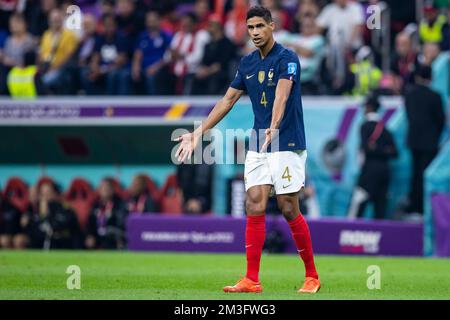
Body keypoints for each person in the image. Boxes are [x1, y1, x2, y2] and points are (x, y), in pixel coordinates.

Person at [175, 6, 320, 294]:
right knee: (254, 203)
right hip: (258, 142)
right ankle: (252, 280)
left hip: (286, 140)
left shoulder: (287, 58)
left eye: (259, 26)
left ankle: (312, 276)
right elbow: (227, 101)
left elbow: (282, 93)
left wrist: (275, 124)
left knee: (289, 206)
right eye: (250, 27)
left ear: (271, 26)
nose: (254, 32)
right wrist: (197, 133)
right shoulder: (247, 64)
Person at [347, 95, 398, 220]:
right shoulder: (385, 129)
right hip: (385, 171)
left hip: (369, 171)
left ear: (369, 108)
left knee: (358, 204)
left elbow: (366, 149)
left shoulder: (365, 126)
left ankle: (351, 233)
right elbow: (394, 153)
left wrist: (374, 148)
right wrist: (383, 150)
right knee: (380, 207)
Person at [404, 65, 445, 215]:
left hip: (414, 140)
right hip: (430, 141)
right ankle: (423, 207)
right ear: (431, 78)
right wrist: (435, 136)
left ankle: (413, 204)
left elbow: (409, 116)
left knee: (415, 173)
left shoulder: (409, 95)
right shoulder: (435, 96)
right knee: (425, 174)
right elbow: (440, 120)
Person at [22, 181, 81, 249]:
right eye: (43, 194)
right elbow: (33, 231)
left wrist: (45, 215)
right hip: (39, 245)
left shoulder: (64, 209)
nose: (45, 198)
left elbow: (56, 228)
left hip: (62, 245)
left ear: (55, 194)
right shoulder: (33, 210)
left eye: (48, 193)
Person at [190, 14, 237, 95]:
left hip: (222, 73)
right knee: (193, 77)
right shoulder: (208, 45)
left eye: (211, 25)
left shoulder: (227, 44)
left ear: (218, 27)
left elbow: (222, 64)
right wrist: (202, 70)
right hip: (208, 71)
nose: (208, 28)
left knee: (214, 79)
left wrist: (207, 72)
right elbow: (204, 62)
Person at [131, 10, 172, 95]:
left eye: (153, 21)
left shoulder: (166, 36)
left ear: (159, 21)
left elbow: (169, 56)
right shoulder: (142, 36)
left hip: (160, 68)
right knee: (126, 75)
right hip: (143, 67)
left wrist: (156, 67)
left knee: (151, 77)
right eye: (148, 21)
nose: (150, 24)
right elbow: (138, 53)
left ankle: (153, 104)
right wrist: (135, 66)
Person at [38, 8, 78, 95]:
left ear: (62, 20)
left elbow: (69, 57)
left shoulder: (69, 35)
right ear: (49, 21)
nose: (56, 22)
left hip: (61, 69)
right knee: (34, 78)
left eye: (58, 19)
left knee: (47, 80)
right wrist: (42, 67)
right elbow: (41, 54)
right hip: (46, 68)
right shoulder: (46, 35)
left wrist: (54, 68)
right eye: (54, 19)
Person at [85, 177, 128, 249]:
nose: (105, 190)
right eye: (102, 188)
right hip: (97, 236)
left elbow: (121, 223)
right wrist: (90, 235)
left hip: (112, 237)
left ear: (112, 190)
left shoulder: (120, 204)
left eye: (107, 188)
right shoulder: (95, 205)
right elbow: (90, 223)